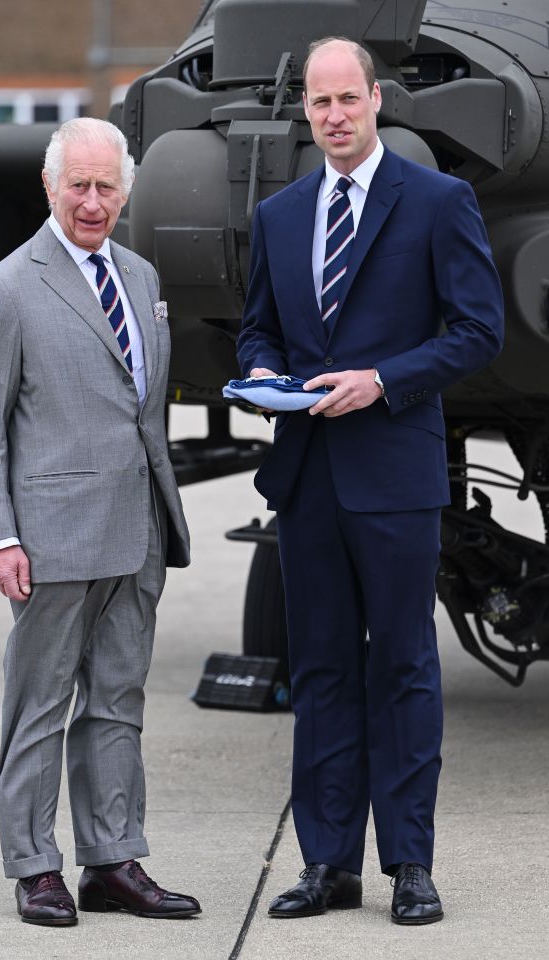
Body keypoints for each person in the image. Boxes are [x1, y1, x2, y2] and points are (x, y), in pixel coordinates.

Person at [237, 37, 503, 925]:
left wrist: (383, 379)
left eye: (348, 99)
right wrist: (264, 376)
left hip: (395, 474)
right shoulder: (279, 216)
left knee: (403, 668)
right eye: (319, 104)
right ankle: (327, 864)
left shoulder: (437, 201)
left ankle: (411, 866)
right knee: (319, 673)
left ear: (377, 99)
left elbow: (477, 330)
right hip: (308, 476)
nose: (335, 116)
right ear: (304, 112)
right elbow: (258, 333)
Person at [0, 117, 201, 926]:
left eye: (107, 188)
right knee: (40, 706)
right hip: (50, 538)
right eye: (79, 187)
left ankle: (113, 859)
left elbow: (141, 411)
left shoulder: (139, 275)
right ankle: (34, 866)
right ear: (50, 188)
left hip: (138, 530)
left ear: (125, 190)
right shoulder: (8, 287)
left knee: (117, 702)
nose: (93, 203)